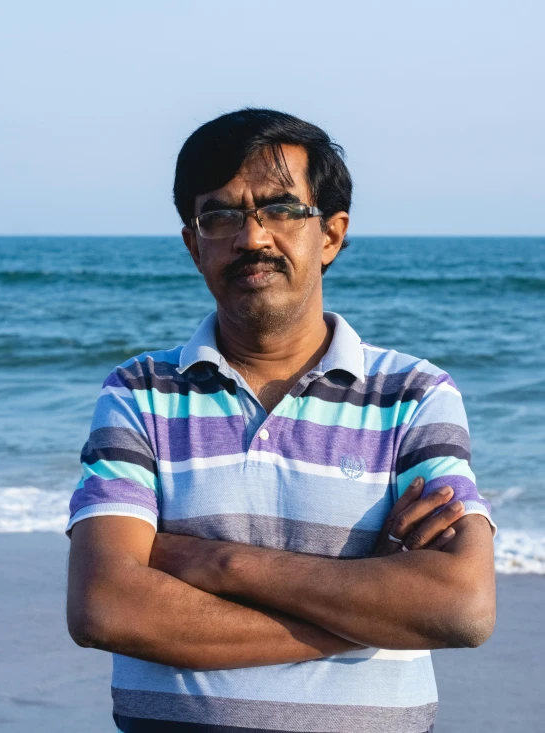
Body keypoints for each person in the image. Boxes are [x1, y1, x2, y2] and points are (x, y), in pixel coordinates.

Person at [66, 108, 496, 733]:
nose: (252, 237)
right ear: (193, 244)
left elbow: (461, 607)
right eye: (220, 215)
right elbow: (105, 608)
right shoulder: (140, 393)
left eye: (280, 208)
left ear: (331, 235)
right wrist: (368, 610)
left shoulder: (414, 395)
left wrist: (219, 565)